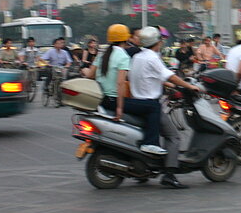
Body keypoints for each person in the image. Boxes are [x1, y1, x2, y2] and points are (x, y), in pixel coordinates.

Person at [130, 26, 201, 188]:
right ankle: (169, 174)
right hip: (151, 104)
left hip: (138, 102)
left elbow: (150, 77)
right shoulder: (152, 57)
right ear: (157, 42)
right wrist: (189, 87)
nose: (162, 42)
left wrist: (169, 85)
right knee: (174, 136)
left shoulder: (137, 57)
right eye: (161, 40)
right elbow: (169, 75)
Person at [84, 24, 166, 156]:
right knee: (154, 107)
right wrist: (120, 108)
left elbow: (89, 75)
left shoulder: (103, 54)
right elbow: (120, 83)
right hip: (114, 100)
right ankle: (151, 143)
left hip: (102, 99)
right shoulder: (122, 56)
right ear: (126, 38)